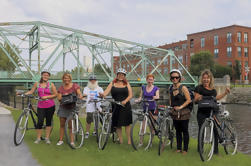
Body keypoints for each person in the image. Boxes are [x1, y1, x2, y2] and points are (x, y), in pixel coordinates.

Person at [194, 69, 230, 154]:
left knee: (215, 130)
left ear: (210, 79)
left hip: (212, 112)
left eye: (208, 78)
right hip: (202, 112)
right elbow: (195, 100)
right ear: (202, 79)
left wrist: (225, 93)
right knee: (201, 130)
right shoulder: (198, 88)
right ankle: (200, 149)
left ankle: (215, 150)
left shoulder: (213, 90)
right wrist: (198, 98)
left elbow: (216, 98)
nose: (206, 80)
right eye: (204, 78)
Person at [23, 70, 57, 144]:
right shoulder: (37, 84)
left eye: (47, 75)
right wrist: (24, 94)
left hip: (50, 106)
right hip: (41, 106)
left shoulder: (51, 84)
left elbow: (55, 94)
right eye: (44, 75)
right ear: (41, 75)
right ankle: (38, 138)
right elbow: (31, 91)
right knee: (40, 121)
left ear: (49, 77)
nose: (45, 76)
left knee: (48, 121)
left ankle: (47, 138)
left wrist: (47, 96)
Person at [100, 68, 133, 144]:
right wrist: (102, 95)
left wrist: (125, 101)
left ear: (124, 76)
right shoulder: (112, 83)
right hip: (116, 105)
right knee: (117, 124)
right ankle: (120, 141)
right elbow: (106, 92)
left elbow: (130, 95)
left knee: (127, 124)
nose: (121, 76)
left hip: (125, 105)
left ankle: (129, 141)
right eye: (119, 74)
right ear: (117, 75)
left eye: (122, 75)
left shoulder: (126, 84)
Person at [169, 69, 192, 154]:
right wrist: (172, 107)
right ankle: (179, 148)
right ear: (170, 78)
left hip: (184, 113)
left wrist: (181, 106)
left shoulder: (183, 88)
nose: (175, 79)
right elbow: (170, 100)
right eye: (173, 77)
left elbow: (189, 100)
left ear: (179, 78)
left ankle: (185, 149)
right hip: (175, 113)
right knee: (178, 131)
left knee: (185, 131)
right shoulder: (171, 88)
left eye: (176, 77)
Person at [56, 73, 83, 146]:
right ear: (63, 79)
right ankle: (60, 140)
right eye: (65, 78)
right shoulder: (61, 88)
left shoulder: (75, 86)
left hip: (72, 108)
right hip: (63, 107)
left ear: (70, 79)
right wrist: (65, 97)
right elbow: (59, 98)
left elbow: (79, 93)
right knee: (62, 125)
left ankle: (72, 141)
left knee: (71, 126)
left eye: (67, 78)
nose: (66, 79)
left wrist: (80, 96)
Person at [83, 75, 103, 139]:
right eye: (91, 80)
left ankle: (95, 131)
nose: (93, 81)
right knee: (89, 118)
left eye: (94, 80)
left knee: (97, 118)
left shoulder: (99, 88)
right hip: (90, 105)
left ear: (96, 81)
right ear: (89, 81)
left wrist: (101, 95)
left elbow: (103, 95)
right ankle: (87, 132)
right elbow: (85, 95)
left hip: (98, 104)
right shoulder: (86, 88)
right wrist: (83, 95)